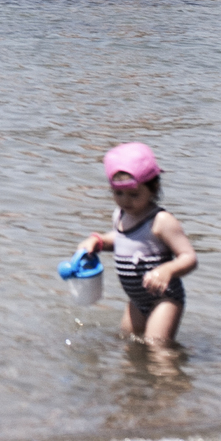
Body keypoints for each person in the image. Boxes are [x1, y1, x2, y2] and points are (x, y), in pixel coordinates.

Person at [74, 142, 196, 347]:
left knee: (157, 348)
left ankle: (170, 378)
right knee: (128, 344)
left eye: (134, 194)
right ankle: (135, 380)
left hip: (164, 298)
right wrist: (98, 241)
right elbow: (121, 239)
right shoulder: (120, 216)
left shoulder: (161, 221)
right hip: (136, 300)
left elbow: (189, 258)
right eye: (118, 194)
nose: (125, 201)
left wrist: (167, 271)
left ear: (153, 188)